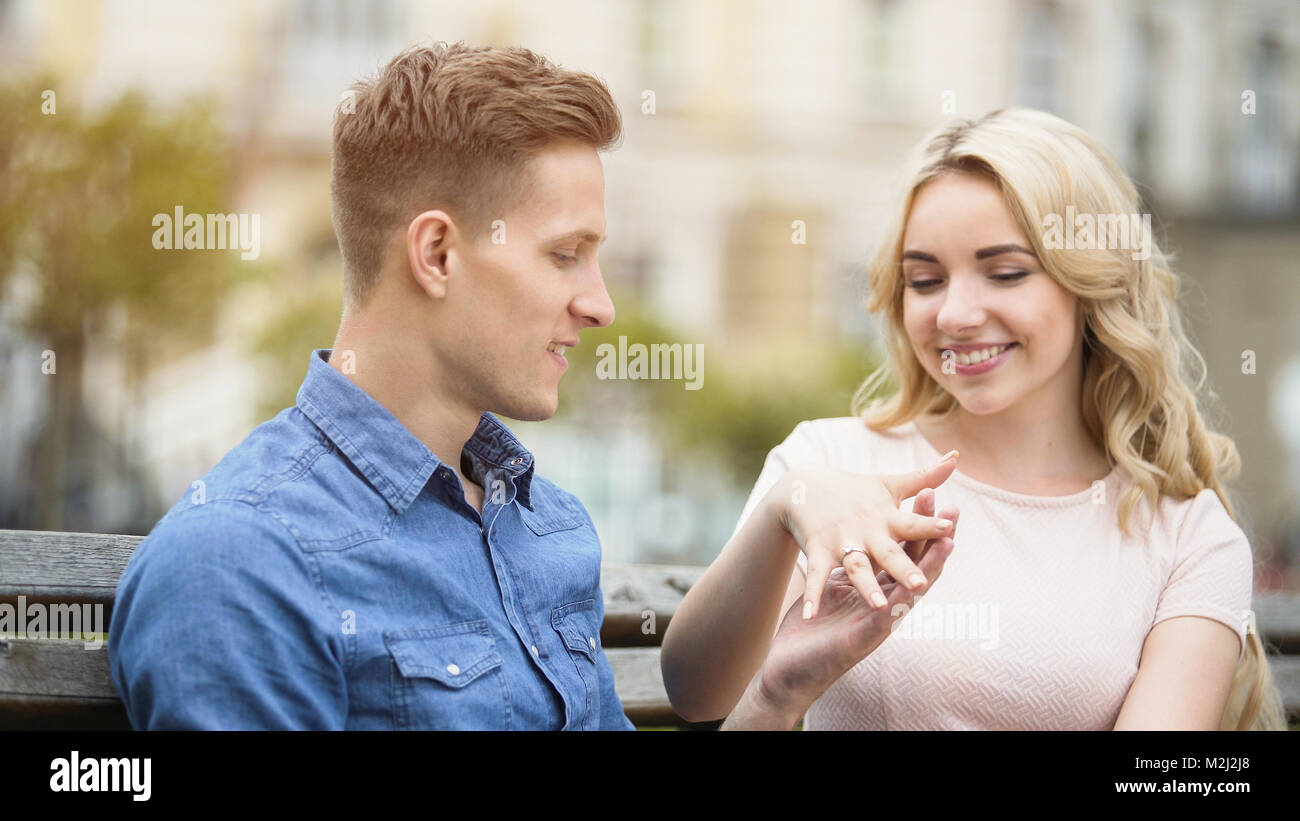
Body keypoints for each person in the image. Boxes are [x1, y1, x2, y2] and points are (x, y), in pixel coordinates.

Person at [664, 107, 1289, 731]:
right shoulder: (824, 464)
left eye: (1006, 273)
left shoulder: (1189, 538)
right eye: (925, 279)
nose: (955, 314)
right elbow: (699, 696)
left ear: (1093, 286)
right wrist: (781, 515)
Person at [110, 42, 636, 729]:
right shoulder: (239, 562)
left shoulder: (549, 524)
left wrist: (776, 693)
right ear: (436, 254)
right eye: (566, 255)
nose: (601, 306)